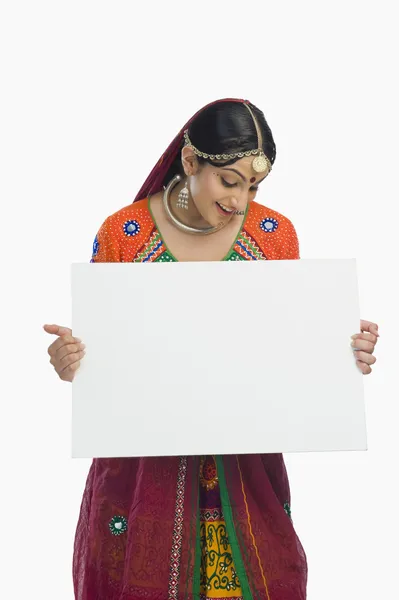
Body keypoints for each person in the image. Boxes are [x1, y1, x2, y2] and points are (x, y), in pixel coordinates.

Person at [44, 98, 379, 600]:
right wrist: (69, 363)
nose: (241, 201)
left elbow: (286, 350)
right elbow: (100, 363)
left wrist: (338, 353)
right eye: (230, 181)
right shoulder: (123, 235)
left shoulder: (274, 237)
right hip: (139, 478)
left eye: (254, 186)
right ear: (190, 161)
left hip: (246, 475)